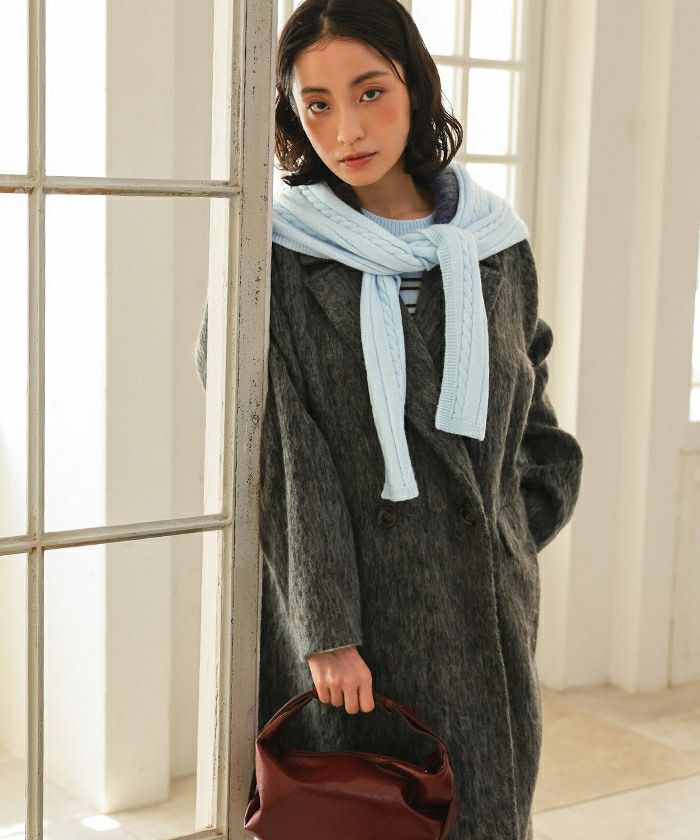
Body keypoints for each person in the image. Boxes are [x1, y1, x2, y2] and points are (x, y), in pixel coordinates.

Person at [196, 1, 583, 838]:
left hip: (481, 614)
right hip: (353, 635)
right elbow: (278, 453)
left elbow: (535, 412)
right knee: (361, 819)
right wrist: (328, 629)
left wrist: (508, 536)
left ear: (415, 86)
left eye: (370, 92)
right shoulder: (275, 255)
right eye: (318, 104)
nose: (347, 129)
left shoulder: (492, 241)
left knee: (484, 816)